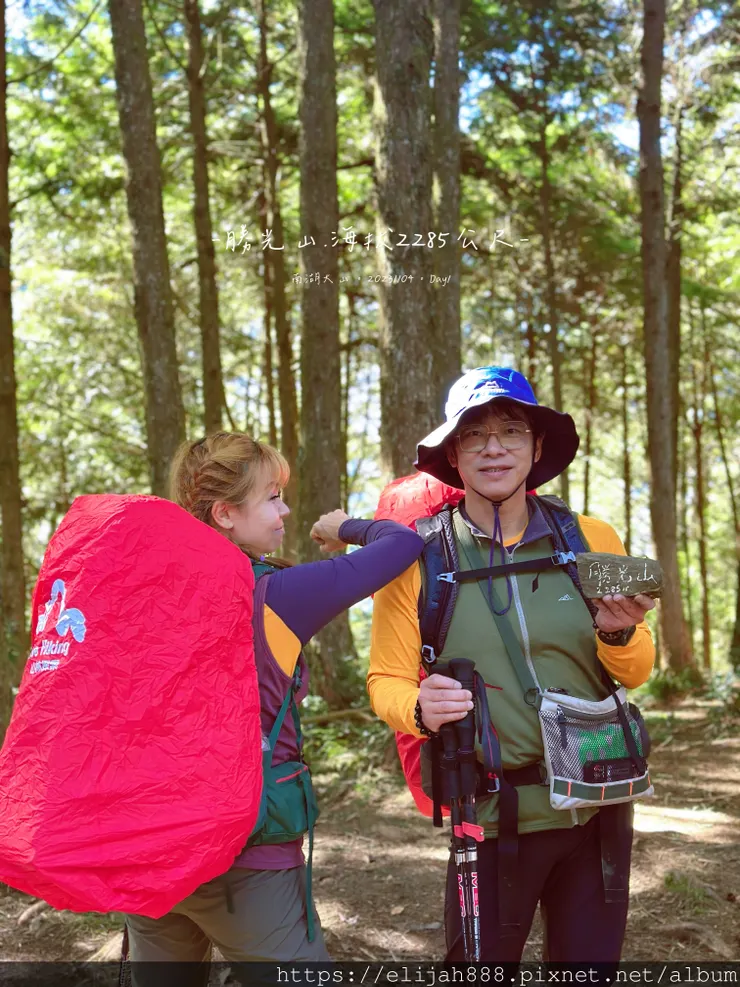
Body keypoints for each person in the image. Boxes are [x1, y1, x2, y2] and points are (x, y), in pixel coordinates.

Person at [368, 367, 656, 962]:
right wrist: (417, 707)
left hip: (598, 808)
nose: (493, 448)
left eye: (511, 430)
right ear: (453, 453)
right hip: (491, 819)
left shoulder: (591, 537)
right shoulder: (418, 558)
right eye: (474, 435)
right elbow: (385, 681)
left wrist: (619, 631)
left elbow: (636, 670)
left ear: (537, 447)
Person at [124, 431, 424, 976]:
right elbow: (404, 545)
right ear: (224, 514)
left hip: (148, 842)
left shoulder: (142, 593)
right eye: (272, 497)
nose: (286, 510)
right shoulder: (274, 595)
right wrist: (345, 528)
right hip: (245, 853)